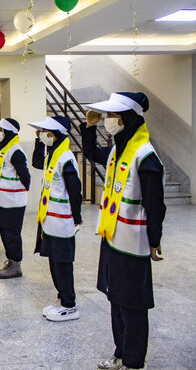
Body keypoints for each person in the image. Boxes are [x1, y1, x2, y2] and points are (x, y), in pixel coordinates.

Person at [81, 92, 165, 370]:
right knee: (116, 301)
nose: (109, 121)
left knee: (133, 306)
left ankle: (133, 361)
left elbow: (155, 205)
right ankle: (120, 354)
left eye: (112, 116)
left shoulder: (145, 156)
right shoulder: (119, 150)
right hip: (112, 239)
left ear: (127, 119)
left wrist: (155, 240)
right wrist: (89, 128)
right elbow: (92, 154)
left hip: (134, 244)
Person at [29, 115, 82, 322]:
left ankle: (70, 304)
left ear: (58, 134)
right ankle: (62, 299)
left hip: (62, 221)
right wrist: (37, 140)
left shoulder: (65, 157)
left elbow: (75, 191)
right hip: (50, 221)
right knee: (54, 261)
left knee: (63, 262)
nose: (44, 135)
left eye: (47, 133)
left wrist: (76, 218)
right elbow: (36, 163)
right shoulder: (52, 154)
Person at [0, 118, 31, 279]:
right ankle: (11, 260)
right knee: (4, 231)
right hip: (3, 199)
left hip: (13, 201)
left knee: (12, 233)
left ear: (9, 132)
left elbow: (26, 178)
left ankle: (16, 265)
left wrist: (16, 192)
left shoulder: (16, 151)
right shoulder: (6, 148)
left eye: (1, 130)